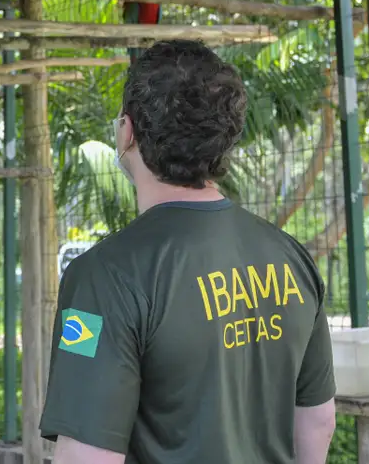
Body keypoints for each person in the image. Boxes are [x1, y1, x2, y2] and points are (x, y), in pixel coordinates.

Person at [39, 40, 336, 464]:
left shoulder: (103, 277)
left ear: (127, 132)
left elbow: (86, 457)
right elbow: (318, 422)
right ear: (224, 137)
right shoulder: (290, 257)